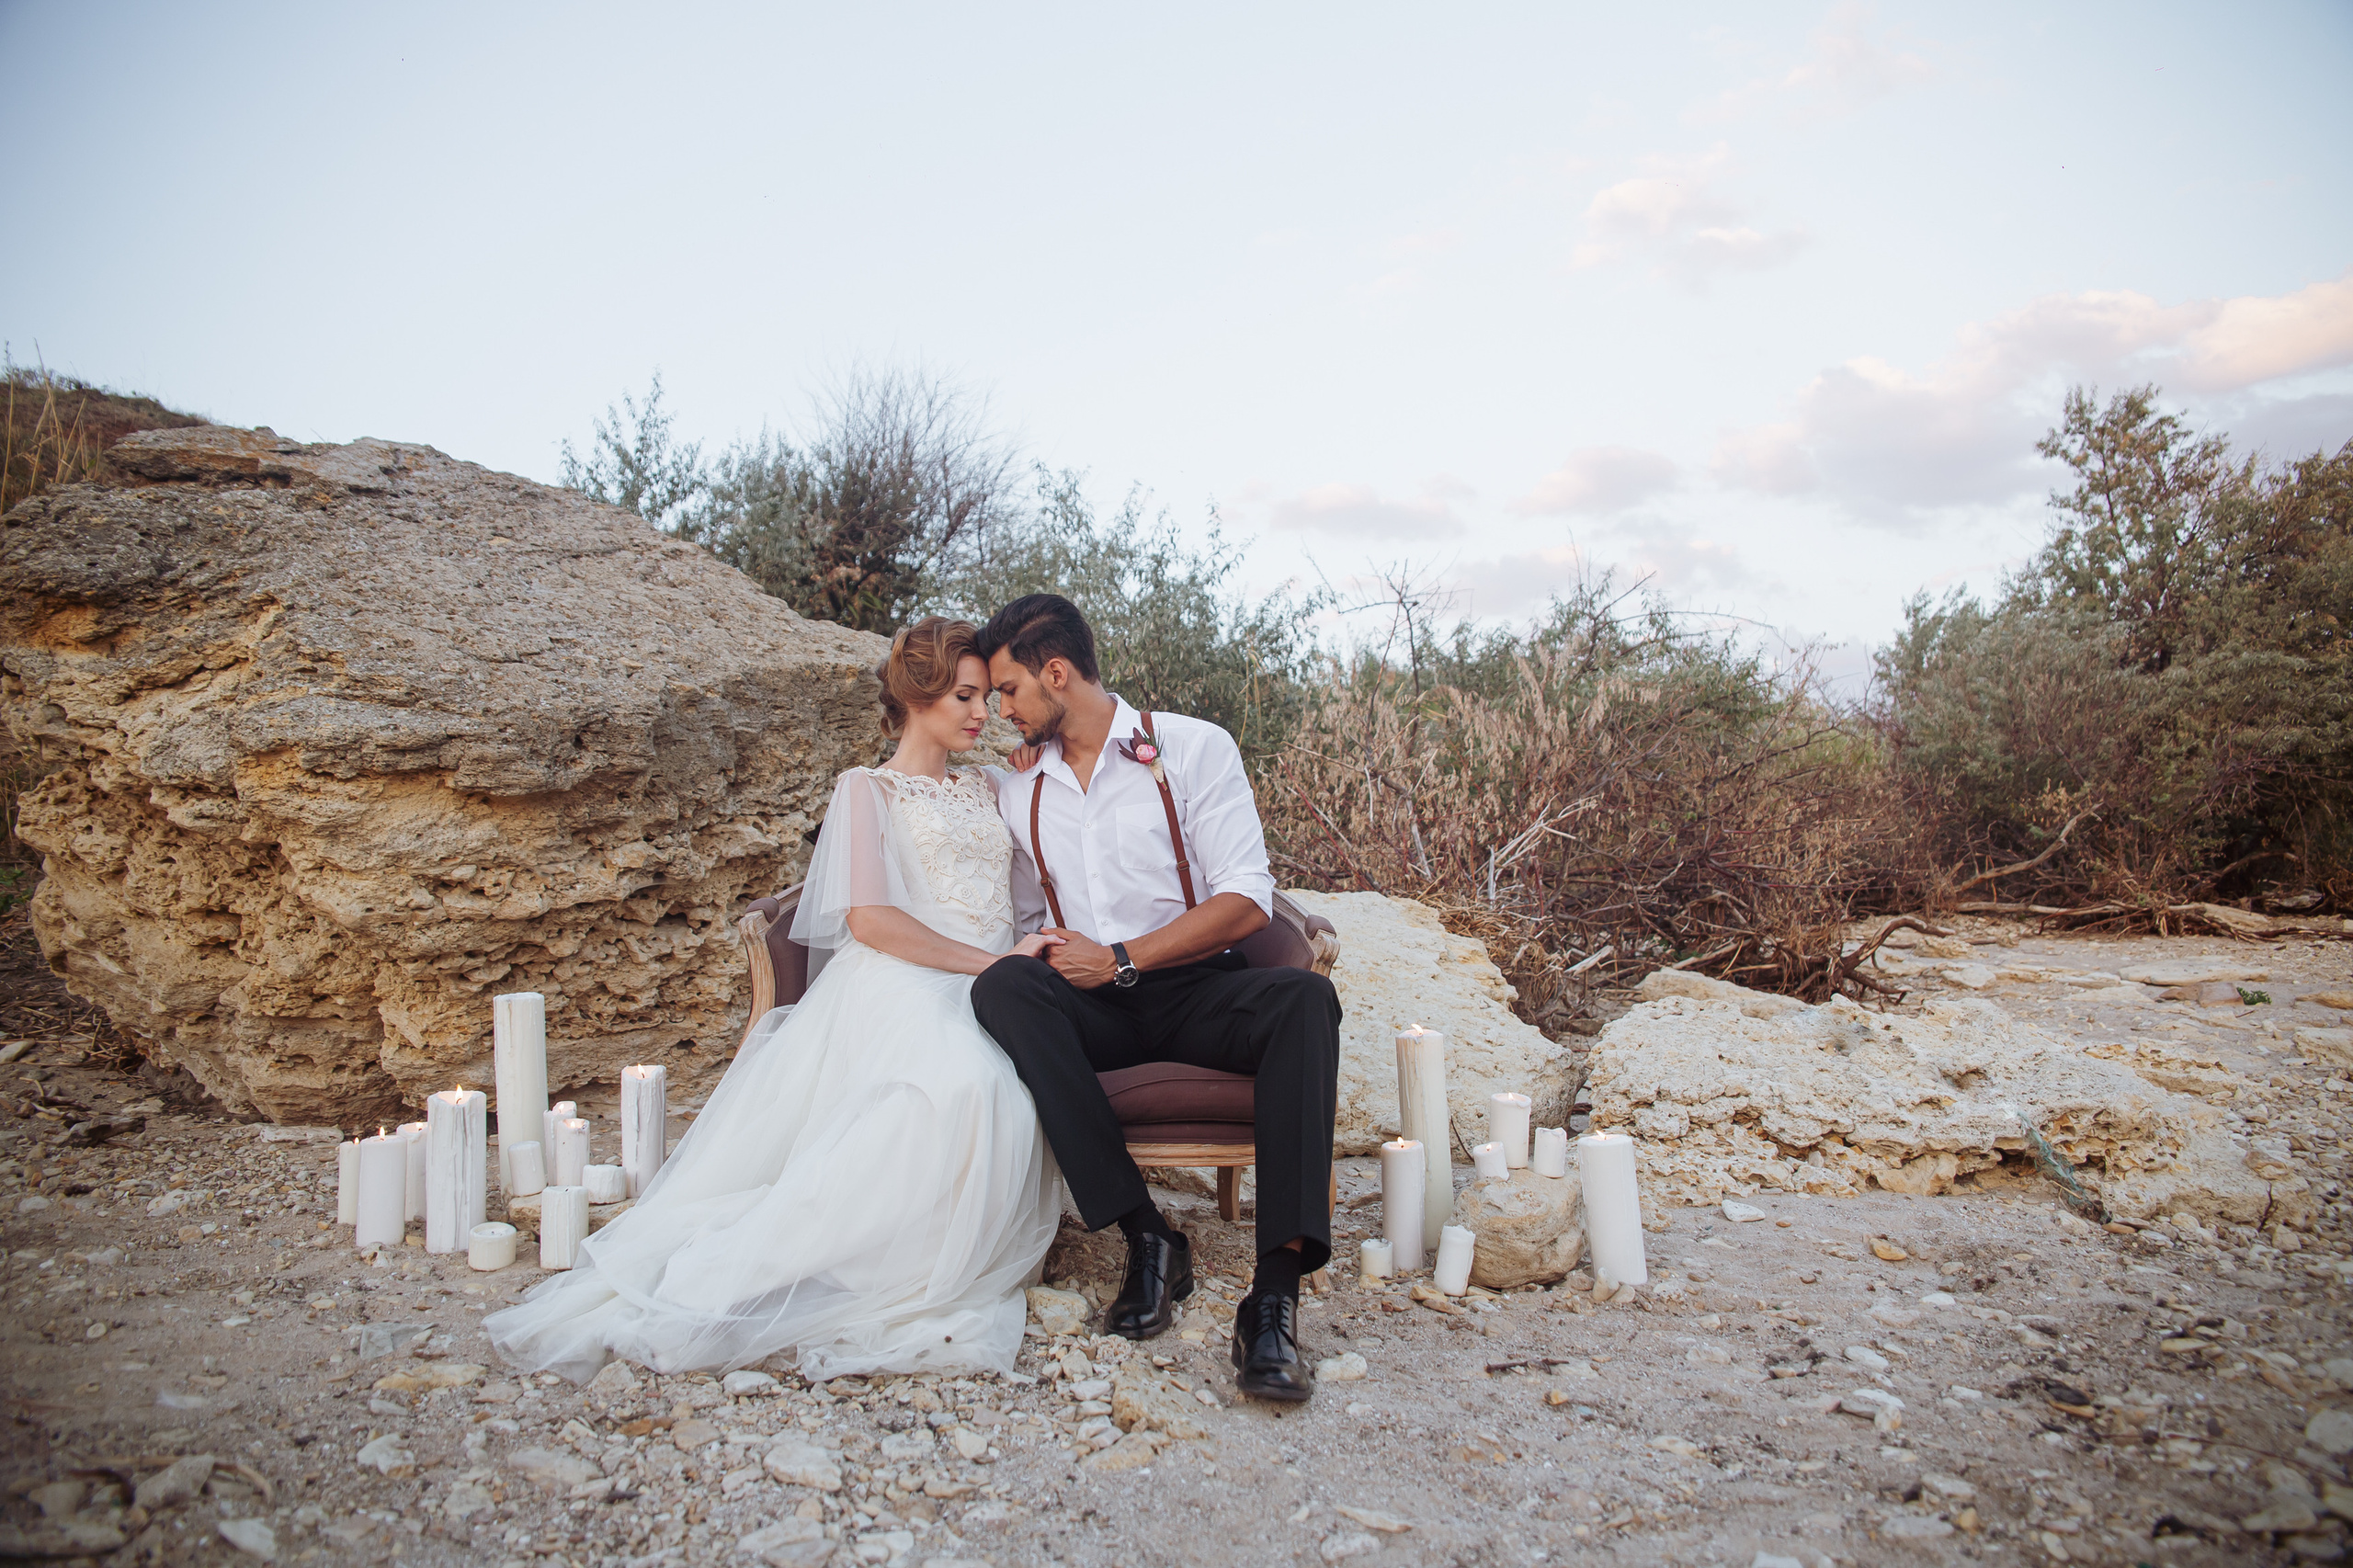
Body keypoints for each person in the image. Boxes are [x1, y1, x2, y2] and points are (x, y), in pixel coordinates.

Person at [484, 618, 1063, 1383]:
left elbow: (1037, 865)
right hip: (904, 976)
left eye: (986, 697)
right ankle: (842, 1263)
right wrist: (992, 965)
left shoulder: (990, 785)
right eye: (964, 696)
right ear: (915, 697)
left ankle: (929, 1248)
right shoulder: (866, 790)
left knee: (1013, 1085)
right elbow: (871, 921)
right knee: (962, 1086)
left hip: (990, 980)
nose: (982, 713)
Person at [969, 594, 1343, 1403]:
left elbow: (1246, 897)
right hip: (1093, 1009)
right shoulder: (1021, 791)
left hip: (1193, 990)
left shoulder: (1193, 747)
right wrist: (1055, 957)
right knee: (1004, 986)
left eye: (1009, 690)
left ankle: (1273, 1299)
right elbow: (1028, 918)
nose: (1002, 710)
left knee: (1304, 1003)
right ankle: (1148, 1237)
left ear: (1056, 673)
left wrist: (1122, 960)